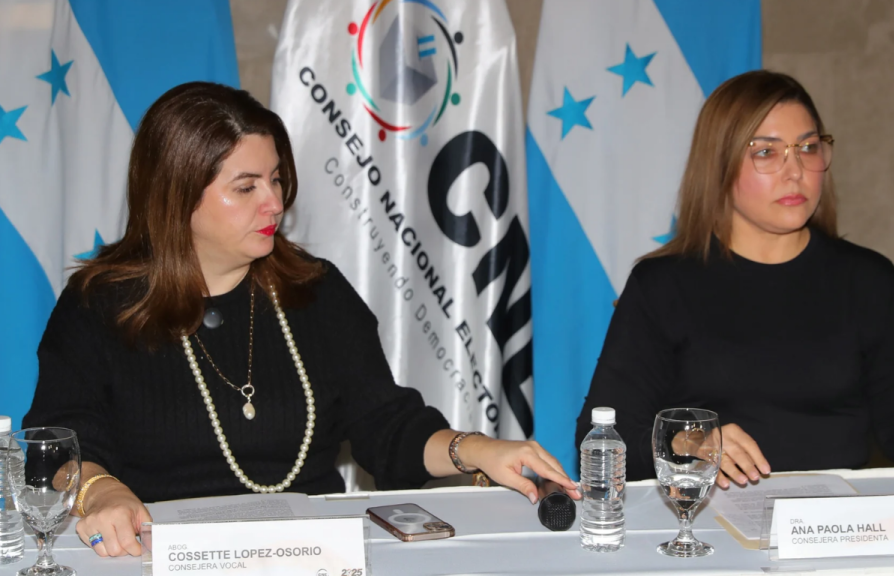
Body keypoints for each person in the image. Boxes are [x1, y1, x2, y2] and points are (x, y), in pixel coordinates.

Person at [22, 82, 579, 558]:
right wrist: (99, 491)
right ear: (177, 196)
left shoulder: (316, 290)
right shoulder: (100, 305)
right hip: (159, 555)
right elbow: (58, 445)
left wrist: (475, 449)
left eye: (276, 179)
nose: (273, 202)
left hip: (313, 556)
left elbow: (386, 426)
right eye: (246, 187)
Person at [576, 70, 894, 489]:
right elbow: (600, 441)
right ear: (719, 166)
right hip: (707, 525)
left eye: (808, 148)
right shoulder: (663, 285)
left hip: (838, 527)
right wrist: (691, 442)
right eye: (766, 152)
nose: (796, 172)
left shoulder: (869, 280)